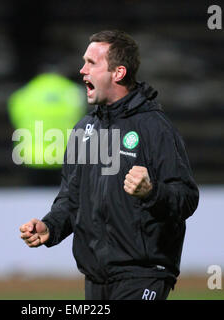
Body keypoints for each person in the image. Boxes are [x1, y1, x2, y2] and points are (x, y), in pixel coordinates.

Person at [19, 30, 199, 300]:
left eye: (92, 63)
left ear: (118, 73)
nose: (82, 70)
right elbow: (70, 198)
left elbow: (186, 198)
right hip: (96, 278)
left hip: (143, 274)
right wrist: (50, 227)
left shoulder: (155, 128)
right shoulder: (84, 129)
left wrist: (151, 192)